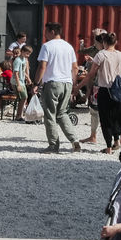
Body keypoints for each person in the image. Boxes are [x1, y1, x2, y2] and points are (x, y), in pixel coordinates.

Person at [77, 32, 121, 153]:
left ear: (104, 42)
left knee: (105, 118)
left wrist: (78, 86)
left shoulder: (101, 55)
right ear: (116, 42)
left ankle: (108, 147)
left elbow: (91, 74)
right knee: (117, 116)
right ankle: (116, 140)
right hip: (119, 90)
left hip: (105, 90)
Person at [35, 22, 80, 153]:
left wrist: (36, 83)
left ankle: (53, 145)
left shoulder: (47, 46)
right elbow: (75, 67)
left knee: (50, 114)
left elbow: (42, 66)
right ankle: (74, 140)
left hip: (53, 82)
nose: (45, 34)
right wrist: (74, 84)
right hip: (67, 83)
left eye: (46, 31)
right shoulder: (69, 47)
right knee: (62, 113)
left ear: (52, 32)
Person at [11, 44, 32, 120]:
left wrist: (28, 78)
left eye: (29, 54)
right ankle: (18, 116)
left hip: (22, 81)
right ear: (22, 51)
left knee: (24, 98)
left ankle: (20, 115)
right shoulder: (18, 60)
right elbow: (16, 73)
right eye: (27, 53)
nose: (28, 55)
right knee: (23, 97)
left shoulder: (24, 60)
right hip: (17, 82)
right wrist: (18, 84)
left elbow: (22, 71)